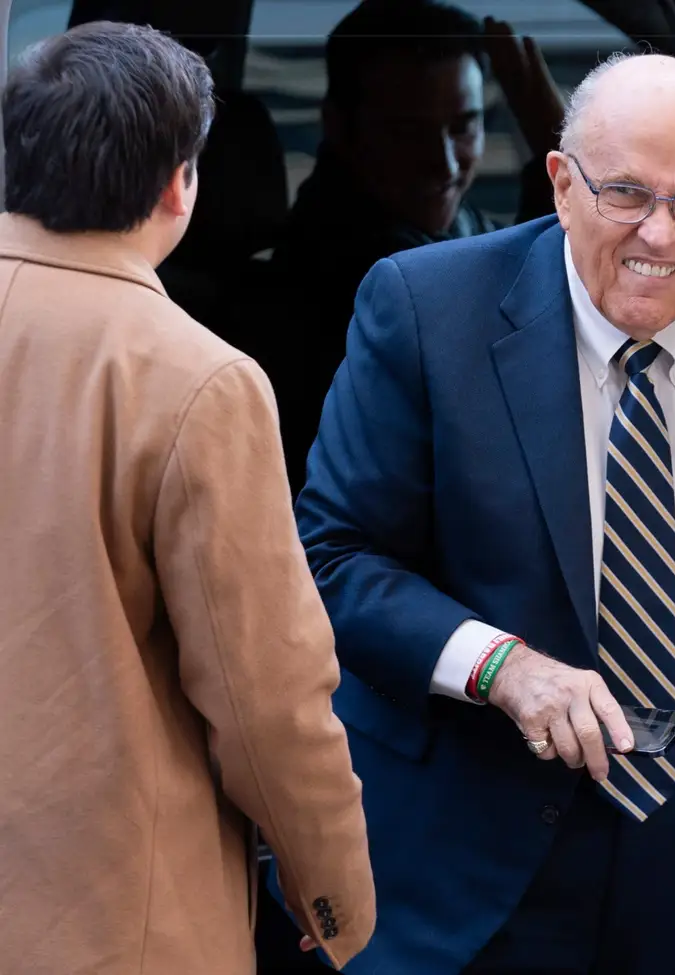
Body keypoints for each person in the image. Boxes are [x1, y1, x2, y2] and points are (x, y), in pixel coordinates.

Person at [289, 50, 675, 974]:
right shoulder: (427, 309)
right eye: (627, 193)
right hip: (475, 843)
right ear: (561, 183)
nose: (660, 235)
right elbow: (335, 557)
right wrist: (502, 667)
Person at [0, 22, 374, 975]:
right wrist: (332, 892)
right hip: (113, 917)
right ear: (180, 183)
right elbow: (266, 698)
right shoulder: (196, 377)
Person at [272, 0, 566, 487]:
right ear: (341, 128)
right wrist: (556, 149)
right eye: (408, 133)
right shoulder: (347, 264)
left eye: (463, 125)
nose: (446, 164)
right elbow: (525, 326)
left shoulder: (443, 222)